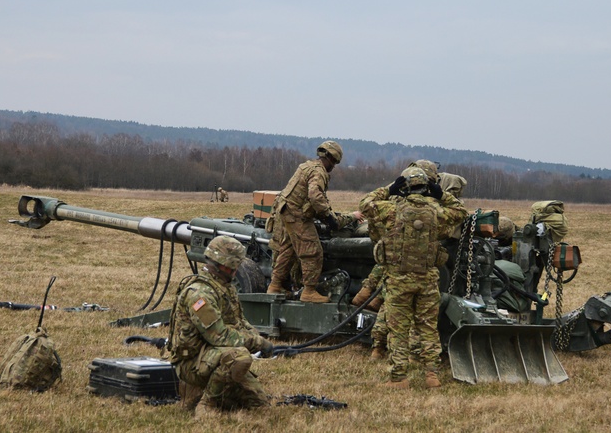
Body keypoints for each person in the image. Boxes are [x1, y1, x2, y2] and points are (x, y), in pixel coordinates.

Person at [360, 166, 468, 389]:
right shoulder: (436, 212)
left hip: (399, 280)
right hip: (428, 280)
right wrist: (440, 194)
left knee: (398, 330)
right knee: (428, 328)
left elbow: (365, 204)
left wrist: (389, 189)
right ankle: (432, 376)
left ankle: (399, 378)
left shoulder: (391, 210)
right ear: (427, 187)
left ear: (404, 187)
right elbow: (460, 211)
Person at [168, 236, 274, 417]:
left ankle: (205, 393)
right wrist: (257, 342)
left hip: (213, 355)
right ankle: (206, 404)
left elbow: (239, 322)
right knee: (239, 357)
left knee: (258, 403)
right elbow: (219, 336)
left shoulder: (225, 287)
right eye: (234, 265)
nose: (237, 269)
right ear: (223, 265)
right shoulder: (199, 294)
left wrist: (255, 335)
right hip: (192, 362)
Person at [267, 141, 353, 303]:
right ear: (330, 159)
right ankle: (309, 291)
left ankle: (275, 286)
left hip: (286, 212)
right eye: (334, 162)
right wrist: (328, 216)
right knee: (313, 251)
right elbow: (314, 195)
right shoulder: (319, 172)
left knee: (288, 250)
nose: (333, 167)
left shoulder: (306, 166)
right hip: (297, 214)